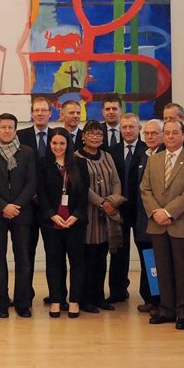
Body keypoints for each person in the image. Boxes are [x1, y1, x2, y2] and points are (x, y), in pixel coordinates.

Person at [140, 118, 184, 329]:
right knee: (163, 269)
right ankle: (167, 309)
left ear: (183, 136)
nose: (170, 136)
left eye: (175, 132)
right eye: (166, 133)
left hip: (183, 223)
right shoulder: (154, 160)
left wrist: (168, 212)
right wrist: (157, 212)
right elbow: (145, 189)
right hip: (158, 224)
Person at [0, 113, 36, 318]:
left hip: (22, 214)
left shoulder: (27, 152)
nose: (6, 131)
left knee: (23, 261)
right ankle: (1, 304)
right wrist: (3, 206)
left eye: (10, 127)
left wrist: (16, 205)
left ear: (15, 129)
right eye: (3, 127)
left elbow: (32, 182)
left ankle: (23, 304)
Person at [38, 128, 89, 318]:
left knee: (77, 262)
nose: (58, 147)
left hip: (75, 222)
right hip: (52, 223)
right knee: (54, 262)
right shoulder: (43, 164)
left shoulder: (79, 163)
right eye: (54, 143)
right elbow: (41, 193)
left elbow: (85, 194)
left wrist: (76, 215)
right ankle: (56, 300)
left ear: (68, 144)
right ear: (49, 144)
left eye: (62, 143)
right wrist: (51, 215)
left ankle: (74, 300)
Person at [77, 120, 124, 313]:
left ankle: (99, 297)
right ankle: (85, 299)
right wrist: (102, 203)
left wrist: (113, 201)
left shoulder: (107, 156)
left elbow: (116, 181)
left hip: (108, 216)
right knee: (88, 259)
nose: (95, 137)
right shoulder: (76, 157)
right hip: (88, 214)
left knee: (102, 258)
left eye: (98, 134)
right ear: (83, 136)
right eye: (91, 133)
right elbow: (82, 186)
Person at [17, 96, 53, 304]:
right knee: (26, 253)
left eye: (43, 110)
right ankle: (24, 296)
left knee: (53, 254)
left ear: (50, 113)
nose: (40, 114)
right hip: (27, 205)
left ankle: (56, 294)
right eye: (36, 110)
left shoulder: (58, 136)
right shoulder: (20, 136)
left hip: (51, 206)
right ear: (31, 113)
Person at [108, 112, 145, 305]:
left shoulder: (148, 150)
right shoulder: (111, 151)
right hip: (119, 210)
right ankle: (117, 291)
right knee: (118, 253)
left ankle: (150, 296)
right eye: (125, 127)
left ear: (139, 128)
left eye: (132, 126)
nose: (128, 130)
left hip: (143, 211)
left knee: (147, 254)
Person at [130, 120, 163, 312]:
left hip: (159, 219)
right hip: (142, 221)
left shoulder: (164, 156)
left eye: (154, 133)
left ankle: (160, 300)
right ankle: (151, 298)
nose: (149, 137)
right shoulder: (143, 155)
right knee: (147, 261)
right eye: (147, 133)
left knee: (159, 262)